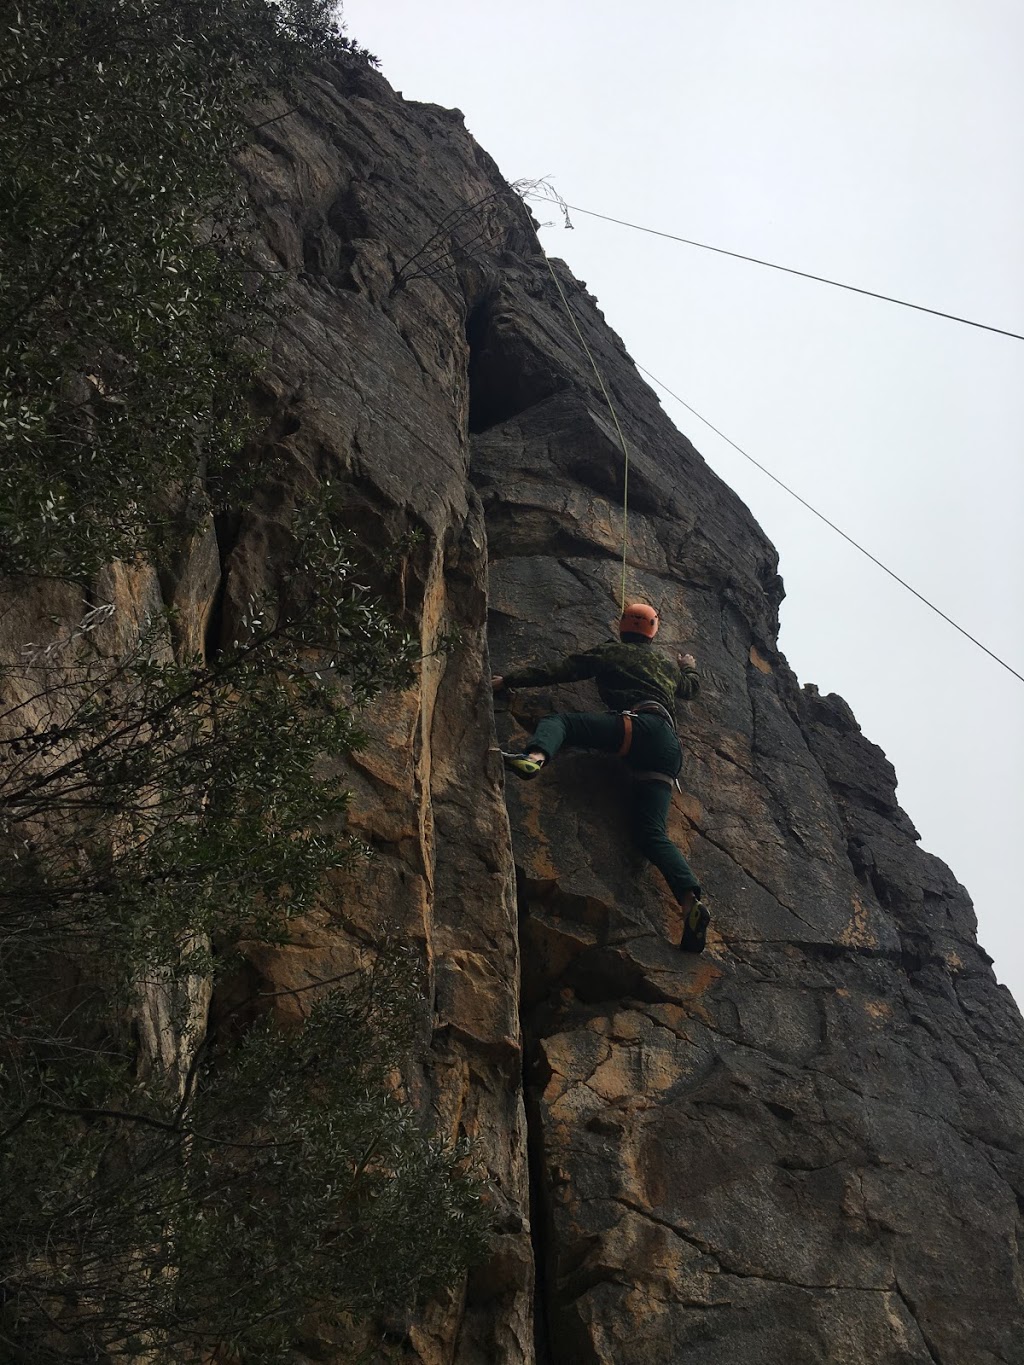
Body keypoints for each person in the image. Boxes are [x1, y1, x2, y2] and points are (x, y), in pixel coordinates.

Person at [492, 602, 711, 953]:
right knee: (651, 833)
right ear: (653, 632)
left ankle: (534, 757)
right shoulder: (668, 667)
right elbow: (690, 689)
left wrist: (510, 679)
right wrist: (690, 667)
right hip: (667, 747)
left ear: (623, 626)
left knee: (559, 723)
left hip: (634, 726)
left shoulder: (613, 651)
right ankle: (690, 904)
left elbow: (563, 669)